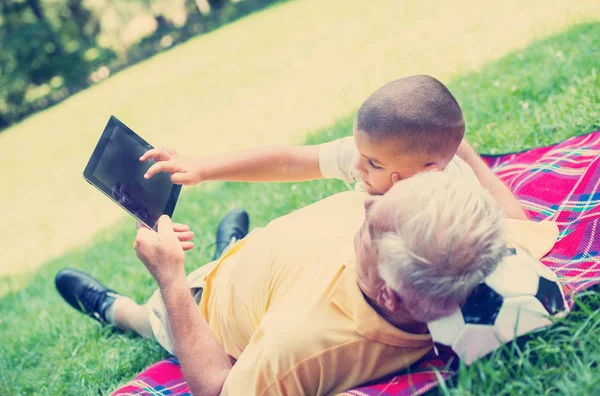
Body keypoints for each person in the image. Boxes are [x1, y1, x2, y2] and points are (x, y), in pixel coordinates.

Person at [56, 171, 508, 395]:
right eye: (382, 199)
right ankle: (228, 246)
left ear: (389, 293)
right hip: (260, 268)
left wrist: (170, 278)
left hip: (207, 308)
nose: (367, 207)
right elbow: (515, 224)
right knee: (236, 251)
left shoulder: (298, 345)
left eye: (371, 227)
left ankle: (111, 307)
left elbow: (216, 388)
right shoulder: (461, 246)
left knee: (151, 317)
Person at [139, 75, 528, 220]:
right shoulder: (367, 157)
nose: (357, 166)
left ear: (425, 175)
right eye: (359, 151)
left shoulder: (455, 203)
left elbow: (520, 230)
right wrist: (204, 168)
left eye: (373, 163)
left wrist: (468, 156)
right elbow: (289, 163)